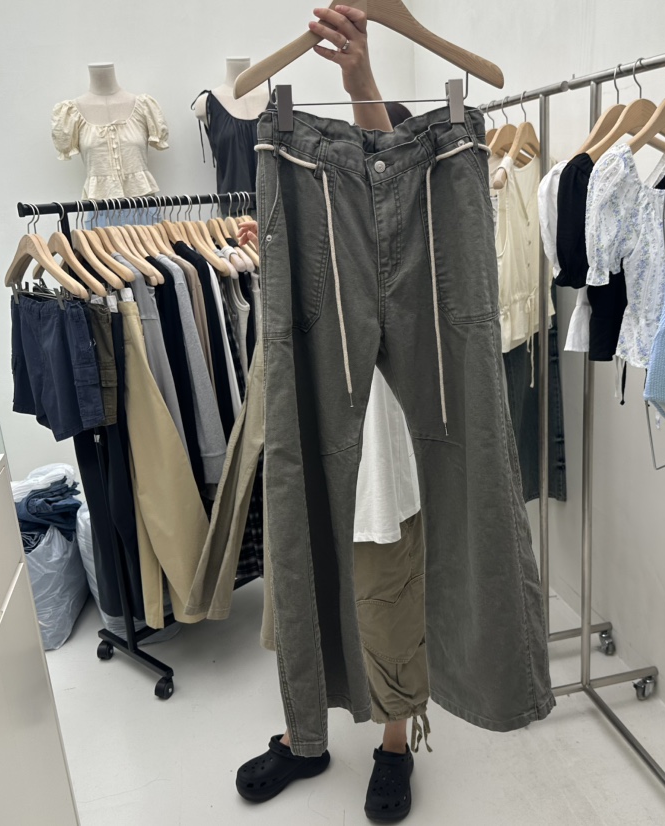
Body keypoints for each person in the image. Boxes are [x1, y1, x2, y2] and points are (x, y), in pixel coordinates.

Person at [235, 6, 429, 822]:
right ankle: (305, 736)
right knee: (302, 586)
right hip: (308, 419)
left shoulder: (404, 204)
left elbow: (392, 183)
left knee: (385, 595)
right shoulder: (293, 181)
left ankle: (395, 744)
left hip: (382, 437)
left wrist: (361, 83)